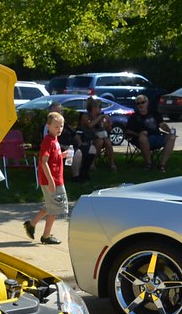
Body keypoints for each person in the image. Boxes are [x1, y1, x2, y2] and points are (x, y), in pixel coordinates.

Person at [23, 111, 68, 245]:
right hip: (52, 180)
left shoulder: (55, 140)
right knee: (55, 207)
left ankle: (31, 224)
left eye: (61, 126)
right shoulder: (48, 141)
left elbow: (53, 158)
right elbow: (44, 162)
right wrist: (50, 181)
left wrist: (62, 156)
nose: (59, 129)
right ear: (48, 126)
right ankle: (46, 236)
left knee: (50, 205)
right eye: (56, 126)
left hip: (56, 179)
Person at [127, 94, 176, 171]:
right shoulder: (134, 116)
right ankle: (149, 164)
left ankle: (162, 165)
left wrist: (170, 131)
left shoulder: (154, 113)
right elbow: (128, 131)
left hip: (156, 137)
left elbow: (162, 124)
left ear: (147, 103)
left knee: (171, 137)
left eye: (142, 102)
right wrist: (138, 134)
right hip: (141, 140)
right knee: (143, 136)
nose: (140, 105)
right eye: (138, 103)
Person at [45, 102, 85, 181]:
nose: (61, 113)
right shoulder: (49, 126)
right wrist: (62, 146)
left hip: (71, 146)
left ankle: (84, 173)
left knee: (91, 149)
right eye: (59, 111)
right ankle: (75, 177)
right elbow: (49, 141)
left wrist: (80, 143)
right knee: (77, 153)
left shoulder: (63, 124)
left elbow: (74, 134)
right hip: (58, 149)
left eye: (62, 111)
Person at [78, 97, 115, 173]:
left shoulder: (102, 117)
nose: (100, 109)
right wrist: (99, 118)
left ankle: (112, 164)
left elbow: (107, 129)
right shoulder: (85, 116)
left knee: (107, 141)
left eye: (100, 107)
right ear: (92, 108)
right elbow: (90, 125)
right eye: (98, 107)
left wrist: (108, 124)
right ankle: (92, 162)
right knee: (100, 142)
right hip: (88, 137)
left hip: (101, 136)